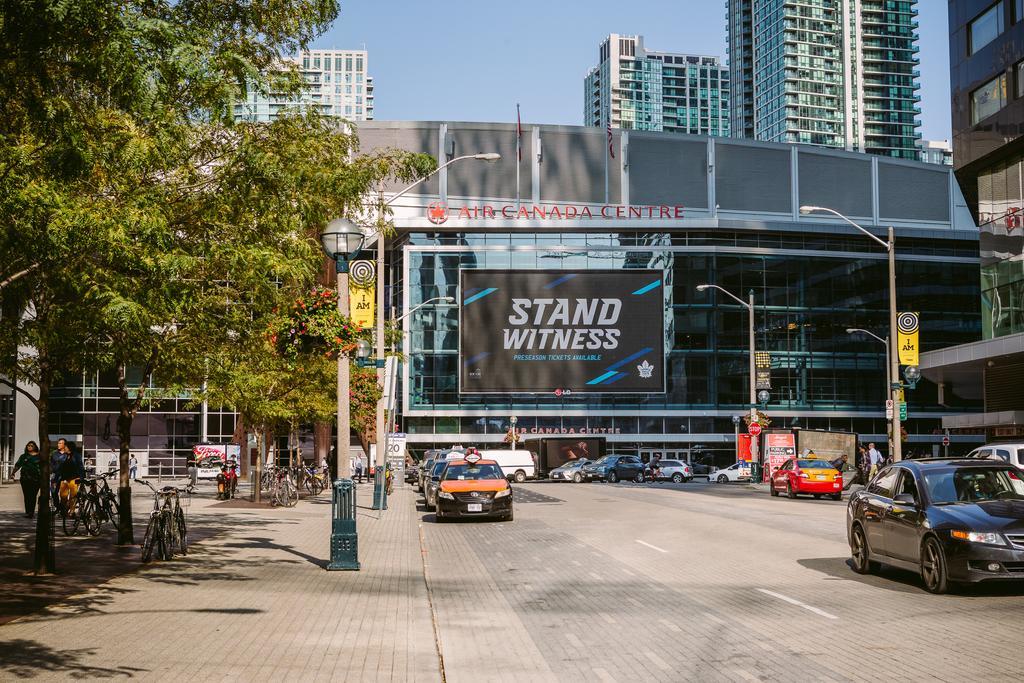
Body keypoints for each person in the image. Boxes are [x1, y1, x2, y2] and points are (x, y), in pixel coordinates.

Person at [13, 441, 41, 518]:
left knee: (33, 495)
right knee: (27, 495)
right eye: (28, 445)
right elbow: (18, 465)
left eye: (31, 446)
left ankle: (31, 512)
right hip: (25, 479)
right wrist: (13, 473)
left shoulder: (39, 456)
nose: (29, 447)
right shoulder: (24, 456)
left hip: (36, 479)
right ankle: (28, 511)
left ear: (35, 447)